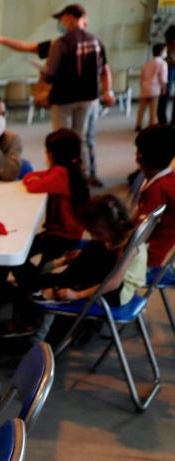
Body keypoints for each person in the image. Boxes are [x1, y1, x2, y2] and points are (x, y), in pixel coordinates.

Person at [0, 4, 113, 186]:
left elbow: (48, 71)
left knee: (60, 139)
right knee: (81, 138)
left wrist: (43, 75)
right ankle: (82, 175)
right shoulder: (96, 41)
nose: (60, 23)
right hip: (88, 99)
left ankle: (62, 176)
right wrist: (108, 91)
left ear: (69, 18)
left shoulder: (60, 43)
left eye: (61, 19)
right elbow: (105, 70)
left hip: (63, 100)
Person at [28, 195, 147, 307]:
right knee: (93, 248)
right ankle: (62, 282)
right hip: (106, 277)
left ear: (116, 226)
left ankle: (64, 286)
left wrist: (78, 295)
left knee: (95, 248)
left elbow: (114, 283)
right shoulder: (115, 234)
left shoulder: (129, 246)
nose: (94, 236)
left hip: (117, 291)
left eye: (99, 233)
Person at [22, 128, 90, 267]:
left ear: (51, 154)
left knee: (22, 252)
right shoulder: (71, 168)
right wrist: (33, 177)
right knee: (39, 261)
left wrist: (30, 179)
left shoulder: (60, 174)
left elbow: (33, 186)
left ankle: (34, 284)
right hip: (71, 232)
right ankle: (38, 280)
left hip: (62, 235)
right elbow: (40, 175)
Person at [134, 124, 175, 268]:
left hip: (146, 257)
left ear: (139, 156)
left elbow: (139, 233)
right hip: (150, 250)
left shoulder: (158, 190)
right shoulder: (167, 179)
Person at [139, 45, 169, 131]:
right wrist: (164, 88)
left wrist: (142, 86)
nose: (166, 53)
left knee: (142, 108)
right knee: (153, 109)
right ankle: (152, 126)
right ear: (162, 52)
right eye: (165, 51)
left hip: (145, 87)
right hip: (155, 89)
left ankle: (138, 124)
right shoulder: (163, 63)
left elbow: (141, 77)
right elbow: (163, 78)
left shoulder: (146, 63)